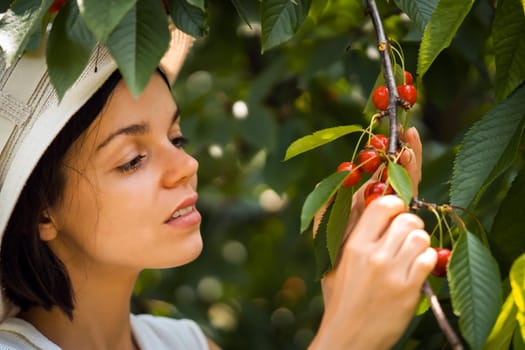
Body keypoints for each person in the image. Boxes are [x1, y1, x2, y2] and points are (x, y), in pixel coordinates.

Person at [0, 23, 437, 349]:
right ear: (42, 212)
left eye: (176, 138)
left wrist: (346, 282)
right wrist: (348, 336)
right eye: (132, 160)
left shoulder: (184, 343)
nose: (186, 165)